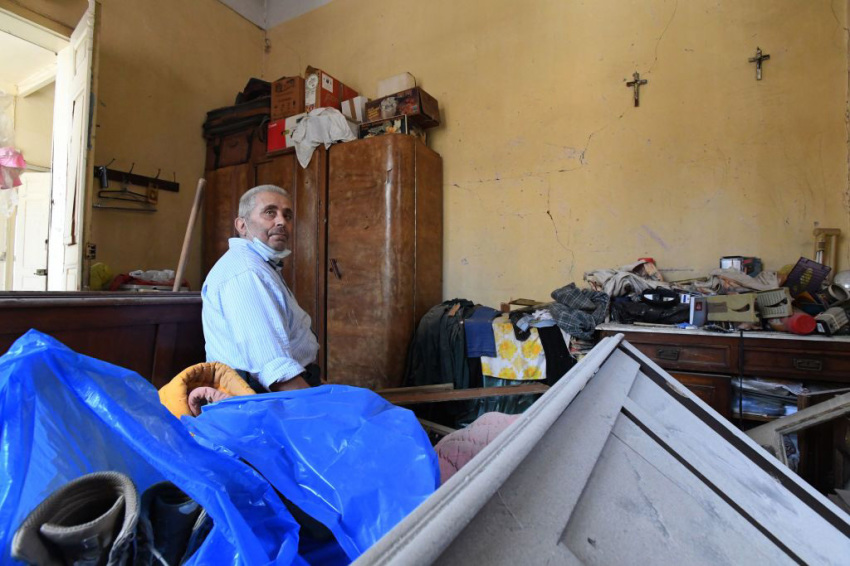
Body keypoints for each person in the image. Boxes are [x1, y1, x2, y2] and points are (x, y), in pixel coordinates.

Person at [202, 185, 319, 392]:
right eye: (270, 212)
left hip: (291, 388)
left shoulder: (260, 265)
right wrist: (320, 411)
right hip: (263, 399)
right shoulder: (246, 272)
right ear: (242, 225)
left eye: (287, 215)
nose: (282, 221)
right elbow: (277, 372)